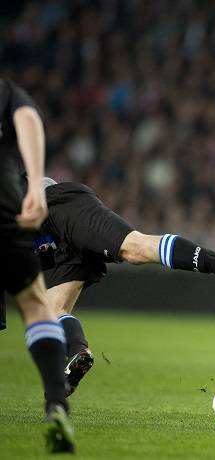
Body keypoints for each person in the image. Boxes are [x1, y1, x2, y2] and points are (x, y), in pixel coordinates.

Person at [17, 177, 215, 396]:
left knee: (134, 248)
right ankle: (78, 354)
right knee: (49, 309)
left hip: (52, 205)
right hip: (47, 236)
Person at [0, 79, 75, 453]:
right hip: (6, 202)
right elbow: (27, 116)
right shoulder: (6, 92)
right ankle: (56, 405)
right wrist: (34, 186)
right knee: (34, 303)